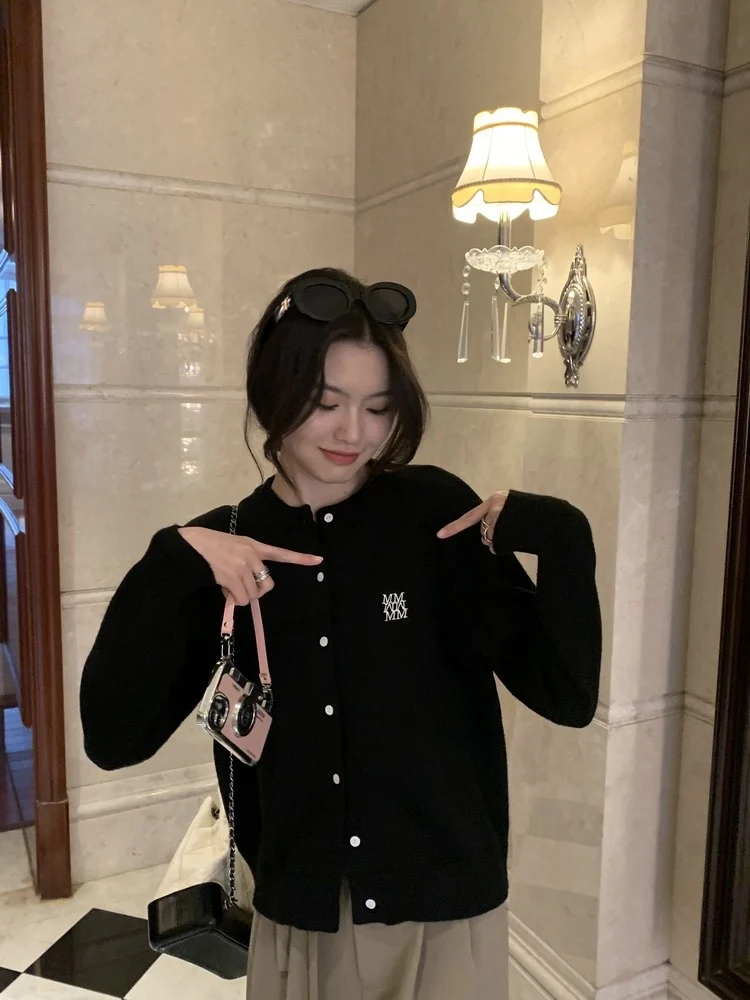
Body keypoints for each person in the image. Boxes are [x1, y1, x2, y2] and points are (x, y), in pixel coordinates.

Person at [80, 267, 602, 1000]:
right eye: (326, 403)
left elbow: (567, 694)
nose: (354, 433)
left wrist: (563, 536)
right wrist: (174, 559)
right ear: (274, 391)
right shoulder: (231, 548)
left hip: (446, 910)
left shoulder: (434, 515)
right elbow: (113, 738)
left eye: (378, 408)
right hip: (303, 915)